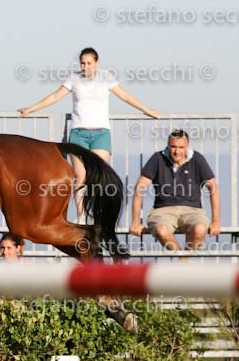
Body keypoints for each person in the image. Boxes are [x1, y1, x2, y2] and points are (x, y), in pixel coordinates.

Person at [18, 47, 160, 224]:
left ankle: (99, 214)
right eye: (83, 63)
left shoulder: (106, 77)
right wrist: (31, 109)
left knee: (99, 175)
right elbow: (55, 96)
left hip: (100, 133)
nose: (86, 67)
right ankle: (81, 216)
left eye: (89, 63)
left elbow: (124, 95)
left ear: (96, 63)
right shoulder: (73, 78)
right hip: (79, 133)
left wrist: (147, 110)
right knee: (81, 175)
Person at [130, 129, 220, 251]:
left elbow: (213, 187)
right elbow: (139, 188)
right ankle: (183, 260)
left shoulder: (197, 159)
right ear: (168, 145)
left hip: (193, 211)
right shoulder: (157, 158)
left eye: (181, 147)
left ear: (187, 146)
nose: (177, 151)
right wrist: (135, 221)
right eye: (173, 147)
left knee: (200, 229)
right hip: (162, 212)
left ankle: (183, 261)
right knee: (161, 231)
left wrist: (216, 221)